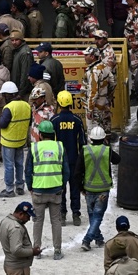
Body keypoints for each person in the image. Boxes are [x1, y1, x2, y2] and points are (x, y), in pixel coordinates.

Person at [27, 120, 66, 260]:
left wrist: (30, 187)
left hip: (38, 190)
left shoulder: (34, 147)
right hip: (55, 190)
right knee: (56, 221)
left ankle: (37, 250)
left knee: (38, 221)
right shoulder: (59, 147)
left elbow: (28, 170)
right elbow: (65, 170)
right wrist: (62, 186)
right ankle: (57, 251)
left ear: (41, 134)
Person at [80, 126, 120, 251]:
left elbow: (78, 170)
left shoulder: (85, 150)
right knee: (97, 217)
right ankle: (87, 240)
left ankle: (99, 238)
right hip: (103, 189)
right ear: (104, 138)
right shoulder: (107, 151)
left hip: (89, 188)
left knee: (93, 216)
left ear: (91, 138)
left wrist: (80, 187)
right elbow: (118, 160)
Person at [53, 91, 86, 226]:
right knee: (75, 187)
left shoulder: (54, 121)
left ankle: (62, 214)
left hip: (59, 160)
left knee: (61, 188)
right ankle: (76, 214)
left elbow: (52, 142)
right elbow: (82, 143)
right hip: (75, 160)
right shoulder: (77, 121)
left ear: (59, 103)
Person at [0, 82, 31, 198]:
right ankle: (20, 186)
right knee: (19, 164)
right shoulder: (26, 105)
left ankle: (9, 189)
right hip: (21, 140)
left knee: (9, 165)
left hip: (8, 141)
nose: (3, 97)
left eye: (4, 95)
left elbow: (2, 124)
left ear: (8, 95)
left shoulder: (9, 108)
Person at [84, 45, 116, 134]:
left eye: (86, 55)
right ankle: (107, 147)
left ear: (92, 56)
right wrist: (108, 97)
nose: (84, 57)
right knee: (106, 131)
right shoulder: (104, 67)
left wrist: (90, 109)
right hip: (104, 104)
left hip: (95, 108)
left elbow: (93, 92)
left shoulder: (94, 71)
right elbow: (113, 82)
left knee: (94, 134)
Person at [9, 33, 34, 100]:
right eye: (12, 40)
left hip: (22, 92)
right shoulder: (17, 50)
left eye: (16, 40)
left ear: (21, 40)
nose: (14, 42)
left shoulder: (24, 53)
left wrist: (21, 93)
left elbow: (25, 74)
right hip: (17, 89)